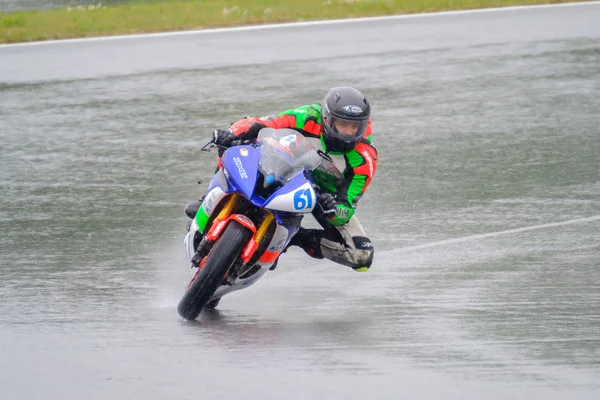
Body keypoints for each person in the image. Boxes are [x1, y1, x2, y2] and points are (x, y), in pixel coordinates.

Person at [186, 86, 377, 272]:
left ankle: (296, 238)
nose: (348, 133)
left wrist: (334, 210)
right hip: (284, 165)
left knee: (361, 256)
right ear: (327, 118)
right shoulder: (308, 115)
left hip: (322, 195)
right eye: (342, 124)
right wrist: (231, 133)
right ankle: (209, 198)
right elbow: (263, 123)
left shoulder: (365, 158)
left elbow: (348, 205)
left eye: (355, 126)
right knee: (232, 144)